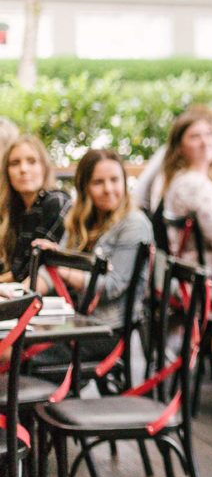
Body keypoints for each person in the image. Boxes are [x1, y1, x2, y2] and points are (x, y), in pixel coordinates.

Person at [31, 149, 152, 366]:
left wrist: (63, 269)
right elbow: (51, 272)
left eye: (115, 180)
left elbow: (112, 287)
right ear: (85, 187)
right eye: (98, 182)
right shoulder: (79, 218)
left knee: (17, 353)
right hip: (75, 320)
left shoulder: (134, 223)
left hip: (106, 329)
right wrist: (22, 295)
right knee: (16, 341)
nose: (109, 189)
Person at [159, 109, 212, 317]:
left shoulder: (199, 179)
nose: (205, 141)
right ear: (179, 147)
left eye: (208, 134)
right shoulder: (192, 185)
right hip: (210, 282)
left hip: (201, 277)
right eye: (195, 136)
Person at [0, 135, 70, 283]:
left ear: (44, 167)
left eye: (32, 161)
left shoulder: (56, 202)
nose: (23, 169)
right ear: (6, 171)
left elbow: (26, 271)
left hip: (50, 299)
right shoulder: (13, 210)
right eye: (15, 163)